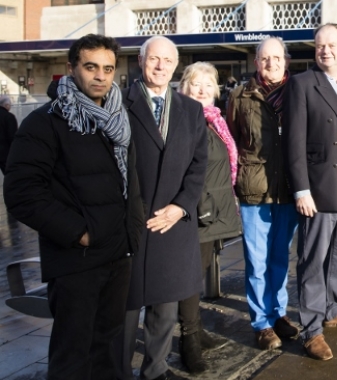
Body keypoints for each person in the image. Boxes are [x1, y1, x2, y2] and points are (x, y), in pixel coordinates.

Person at [3, 34, 143, 379]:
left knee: (109, 347)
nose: (101, 76)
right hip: (75, 259)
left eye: (108, 68)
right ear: (71, 69)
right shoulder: (46, 121)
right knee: (73, 354)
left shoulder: (118, 118)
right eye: (91, 67)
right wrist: (79, 233)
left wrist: (131, 231)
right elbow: (21, 192)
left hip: (117, 251)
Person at [118, 35, 208, 380]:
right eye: (153, 59)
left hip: (172, 222)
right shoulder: (120, 103)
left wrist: (181, 207)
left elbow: (198, 165)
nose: (160, 66)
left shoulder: (191, 109)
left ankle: (155, 369)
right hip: (133, 221)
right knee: (126, 306)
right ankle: (119, 369)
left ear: (175, 65)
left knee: (165, 306)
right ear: (142, 61)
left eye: (167, 61)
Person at [284, 24, 337, 361]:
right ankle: (311, 329)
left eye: (332, 45)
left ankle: (333, 308)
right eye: (320, 46)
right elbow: (294, 141)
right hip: (319, 188)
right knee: (313, 259)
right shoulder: (303, 83)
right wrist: (302, 190)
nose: (326, 51)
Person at [226, 36, 300, 351]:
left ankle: (278, 312)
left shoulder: (298, 92)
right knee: (257, 261)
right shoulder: (240, 95)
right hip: (254, 189)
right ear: (257, 62)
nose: (271, 63)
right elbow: (231, 141)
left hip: (288, 189)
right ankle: (261, 322)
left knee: (280, 258)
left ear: (286, 61)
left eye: (277, 58)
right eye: (265, 58)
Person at [176, 62, 242, 373]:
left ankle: (197, 328)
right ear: (184, 88)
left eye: (207, 85)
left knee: (198, 271)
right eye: (195, 84)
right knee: (189, 276)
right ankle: (188, 340)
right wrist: (199, 205)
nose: (201, 90)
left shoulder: (214, 119)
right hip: (198, 213)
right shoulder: (186, 121)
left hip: (215, 210)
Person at [0, 94, 18, 174]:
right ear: (6, 105)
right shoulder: (9, 117)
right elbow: (12, 136)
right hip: (5, 153)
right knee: (10, 174)